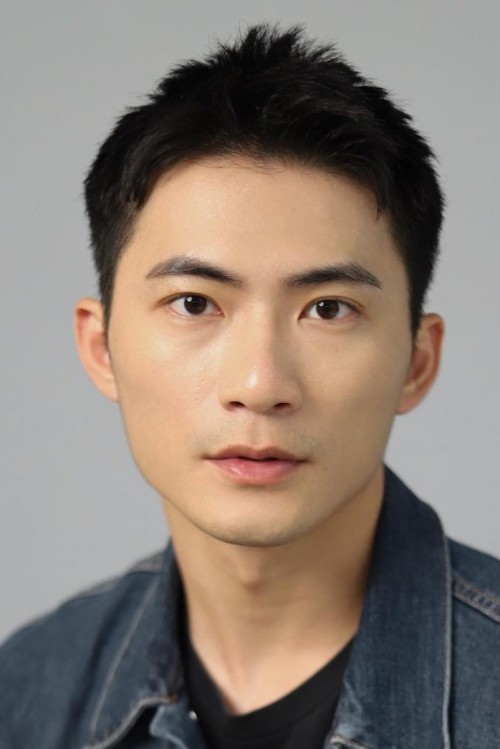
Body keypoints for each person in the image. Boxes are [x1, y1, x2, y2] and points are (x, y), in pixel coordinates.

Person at [1, 20, 499, 749]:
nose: (260, 384)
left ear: (416, 362)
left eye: (328, 309)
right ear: (101, 346)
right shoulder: (28, 693)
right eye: (194, 303)